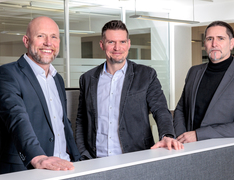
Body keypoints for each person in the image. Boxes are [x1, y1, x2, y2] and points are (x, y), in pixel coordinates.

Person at [75, 20, 183, 160]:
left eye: (122, 42)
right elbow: (81, 120)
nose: (117, 47)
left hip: (135, 157)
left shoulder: (146, 75)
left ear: (129, 44)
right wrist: (81, 153)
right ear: (102, 45)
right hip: (95, 160)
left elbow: (160, 109)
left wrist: (167, 135)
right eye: (111, 42)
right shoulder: (87, 78)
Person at [0, 16, 80, 174]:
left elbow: (62, 123)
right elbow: (16, 119)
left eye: (53, 37)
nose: (48, 43)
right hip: (28, 170)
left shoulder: (57, 79)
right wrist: (38, 157)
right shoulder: (6, 74)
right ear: (26, 41)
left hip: (65, 166)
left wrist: (77, 157)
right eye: (41, 36)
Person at [174, 21, 234, 143]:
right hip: (186, 148)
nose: (214, 44)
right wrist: (181, 136)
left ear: (231, 43)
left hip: (219, 151)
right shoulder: (194, 71)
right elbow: (181, 109)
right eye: (209, 39)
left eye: (220, 38)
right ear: (205, 44)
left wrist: (198, 135)